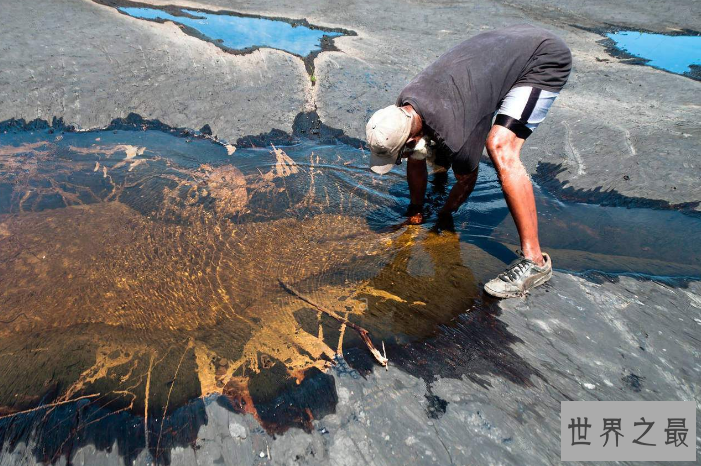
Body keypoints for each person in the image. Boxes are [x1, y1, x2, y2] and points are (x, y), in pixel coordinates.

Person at [365, 24, 572, 298]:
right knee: (437, 142)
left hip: (541, 58)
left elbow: (467, 180)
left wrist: (444, 214)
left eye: (398, 154)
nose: (401, 160)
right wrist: (415, 210)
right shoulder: (405, 105)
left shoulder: (458, 138)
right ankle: (434, 175)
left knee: (500, 146)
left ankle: (534, 263)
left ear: (412, 140)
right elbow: (415, 156)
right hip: (509, 41)